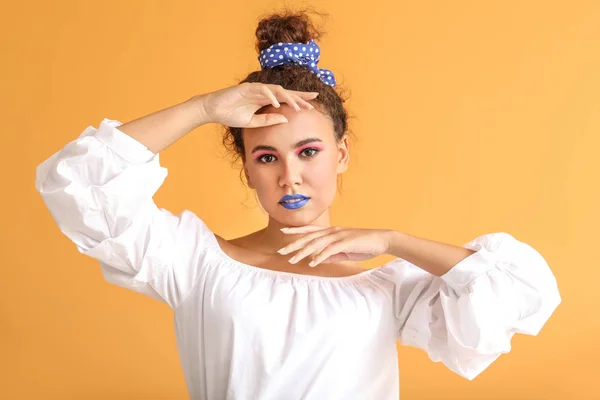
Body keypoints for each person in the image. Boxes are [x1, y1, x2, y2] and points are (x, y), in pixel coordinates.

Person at [35, 9, 561, 400]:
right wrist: (204, 108)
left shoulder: (385, 285)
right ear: (247, 167)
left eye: (309, 151)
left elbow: (515, 294)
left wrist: (391, 241)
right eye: (266, 157)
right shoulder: (193, 263)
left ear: (342, 154)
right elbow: (82, 181)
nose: (291, 175)